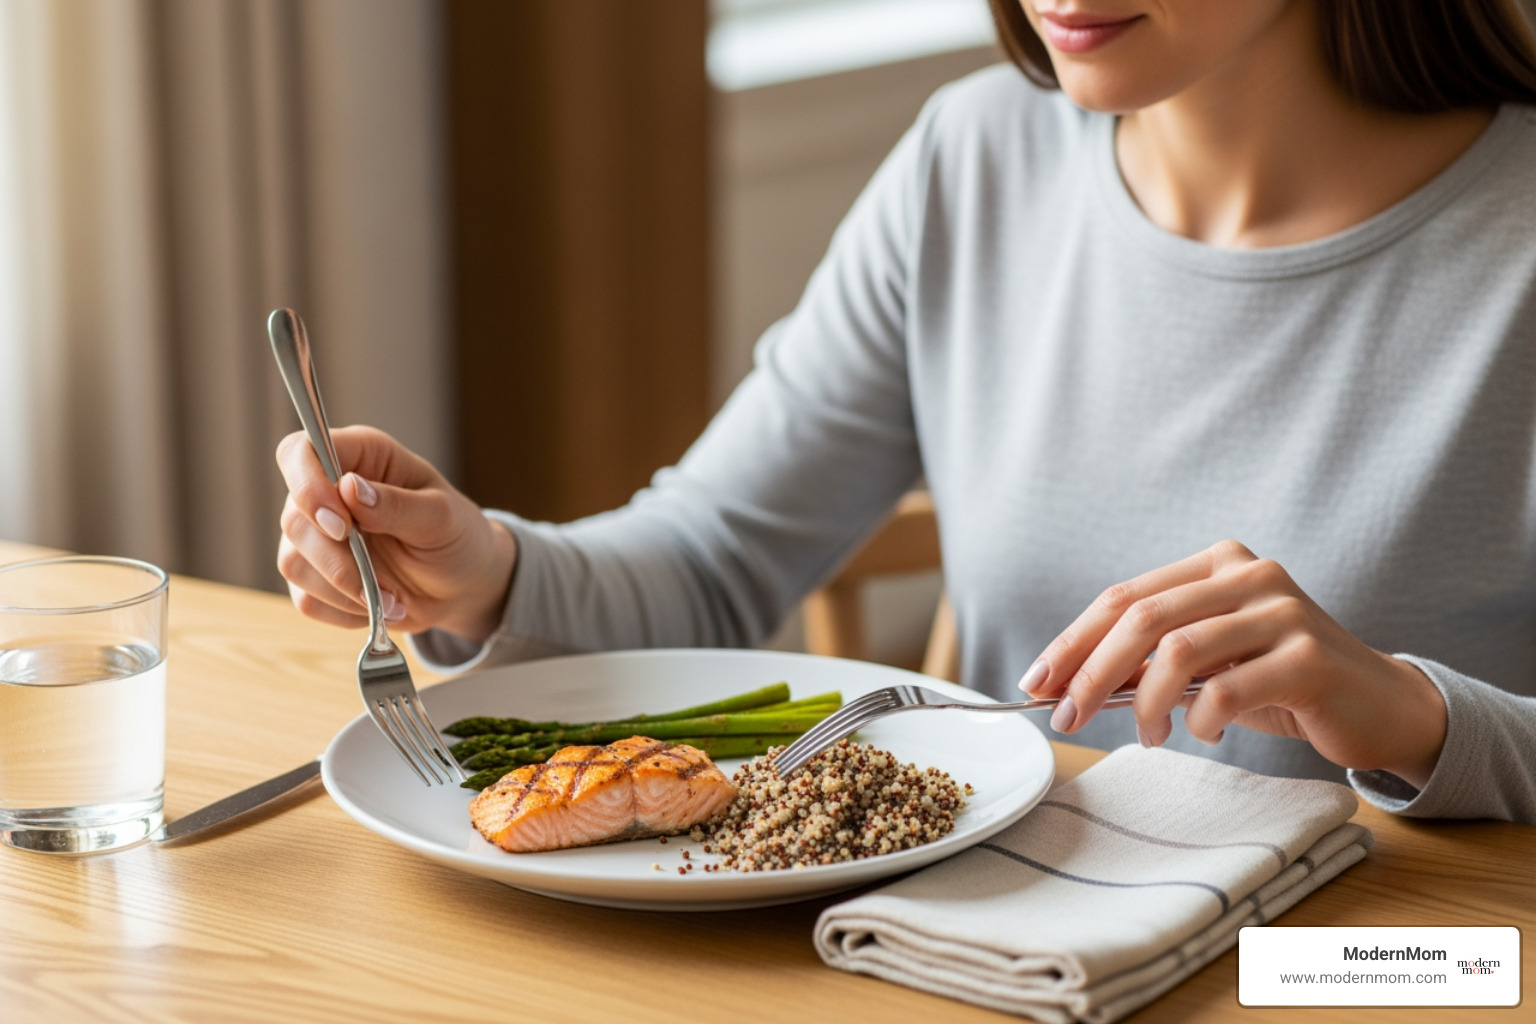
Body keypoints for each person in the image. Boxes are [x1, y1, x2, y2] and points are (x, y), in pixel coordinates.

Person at [276, 0, 1536, 823]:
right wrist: (482, 572)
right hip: (1007, 956)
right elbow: (714, 559)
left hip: (1394, 973)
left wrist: (1414, 715)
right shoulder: (973, 163)